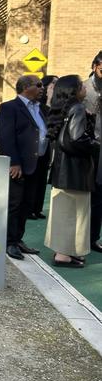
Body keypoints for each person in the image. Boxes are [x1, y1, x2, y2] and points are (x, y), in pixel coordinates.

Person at [44, 75, 98, 267]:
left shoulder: (63, 109)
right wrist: (95, 144)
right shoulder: (78, 108)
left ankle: (65, 252)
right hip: (75, 171)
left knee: (64, 212)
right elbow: (76, 139)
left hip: (63, 170)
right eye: (81, 85)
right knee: (75, 213)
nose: (85, 87)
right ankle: (63, 255)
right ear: (74, 90)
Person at [0, 75, 47, 260]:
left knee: (27, 204)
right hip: (18, 166)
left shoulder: (40, 109)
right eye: (38, 85)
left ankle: (18, 239)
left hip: (36, 165)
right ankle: (9, 242)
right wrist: (14, 162)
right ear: (26, 87)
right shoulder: (9, 108)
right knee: (14, 204)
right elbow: (5, 137)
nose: (42, 88)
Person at [28, 75, 59, 220]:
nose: (55, 87)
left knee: (41, 180)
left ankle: (37, 208)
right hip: (33, 150)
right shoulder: (36, 104)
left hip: (45, 148)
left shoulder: (49, 105)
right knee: (32, 180)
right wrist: (48, 99)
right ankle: (30, 209)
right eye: (53, 84)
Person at [83, 51, 102, 253]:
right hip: (87, 149)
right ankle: (76, 241)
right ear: (95, 66)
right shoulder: (83, 89)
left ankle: (93, 238)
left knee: (99, 198)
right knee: (83, 196)